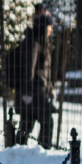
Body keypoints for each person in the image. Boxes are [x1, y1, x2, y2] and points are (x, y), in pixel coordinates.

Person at [16, 12, 56, 148]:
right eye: (50, 26)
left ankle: (19, 150)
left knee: (27, 124)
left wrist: (50, 89)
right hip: (34, 93)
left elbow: (45, 72)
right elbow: (29, 69)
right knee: (46, 122)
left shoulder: (43, 43)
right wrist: (27, 93)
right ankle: (42, 150)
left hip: (39, 92)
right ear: (43, 27)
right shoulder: (33, 44)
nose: (52, 29)